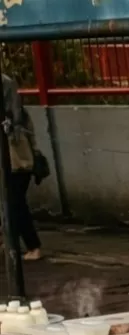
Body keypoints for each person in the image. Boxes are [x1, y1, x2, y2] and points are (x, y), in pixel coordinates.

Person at [2, 74, 42, 261]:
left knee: (15, 203)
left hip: (16, 161)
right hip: (19, 162)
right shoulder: (19, 114)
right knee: (12, 203)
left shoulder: (13, 119)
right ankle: (13, 242)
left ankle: (31, 246)